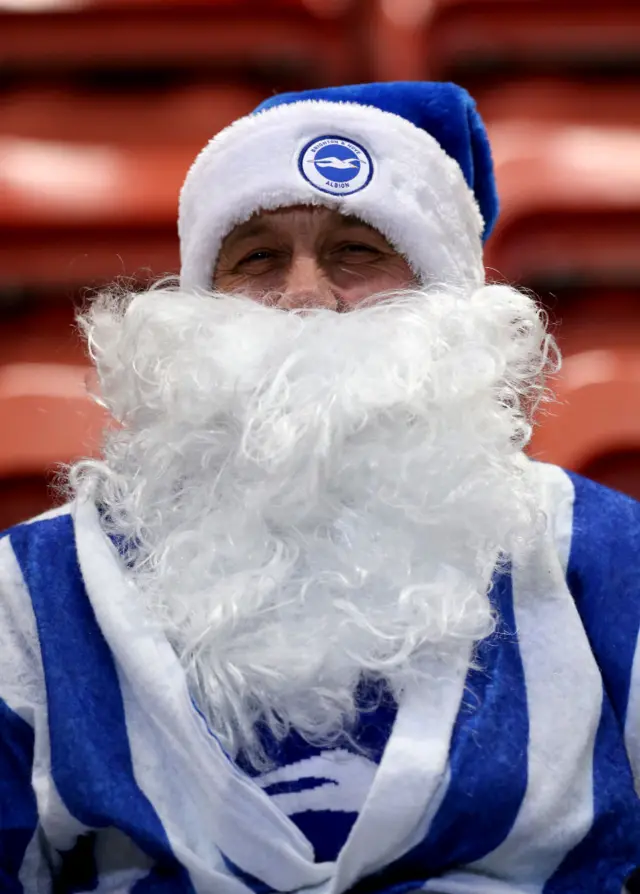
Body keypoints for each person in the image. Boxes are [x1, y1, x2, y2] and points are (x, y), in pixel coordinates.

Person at [1, 81, 640, 894]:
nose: (304, 296)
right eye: (259, 257)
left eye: (357, 252)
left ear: (445, 300)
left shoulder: (606, 558)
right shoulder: (36, 587)